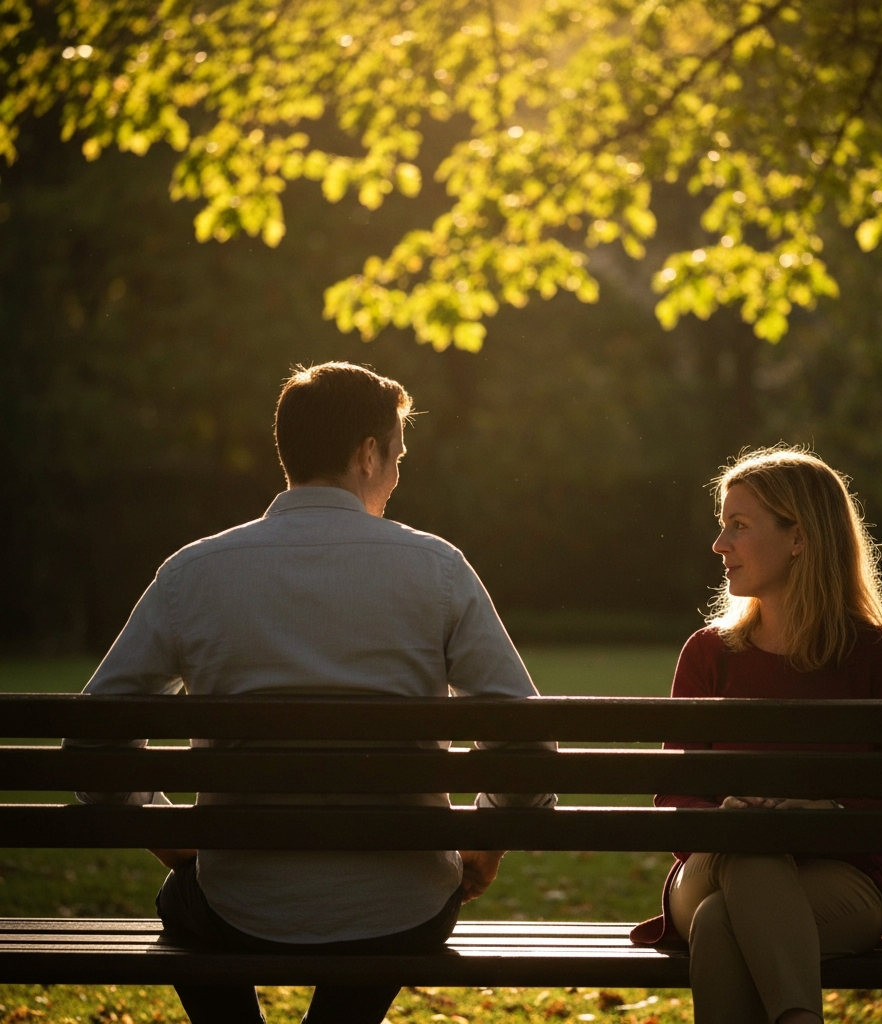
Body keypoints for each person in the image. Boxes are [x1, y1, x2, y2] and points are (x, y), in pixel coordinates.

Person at [68, 361, 555, 1024]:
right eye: (397, 456)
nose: (397, 474)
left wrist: (169, 832)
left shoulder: (195, 573)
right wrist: (485, 840)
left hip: (240, 904)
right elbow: (524, 745)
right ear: (366, 454)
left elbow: (92, 744)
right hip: (400, 907)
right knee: (383, 912)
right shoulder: (437, 569)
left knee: (180, 899)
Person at [629, 446, 882, 1024]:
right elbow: (673, 798)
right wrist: (729, 815)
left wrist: (825, 812)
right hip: (711, 863)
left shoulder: (880, 657)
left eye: (739, 527)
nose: (720, 545)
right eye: (722, 527)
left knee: (722, 926)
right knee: (751, 842)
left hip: (842, 883)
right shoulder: (708, 655)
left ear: (800, 538)